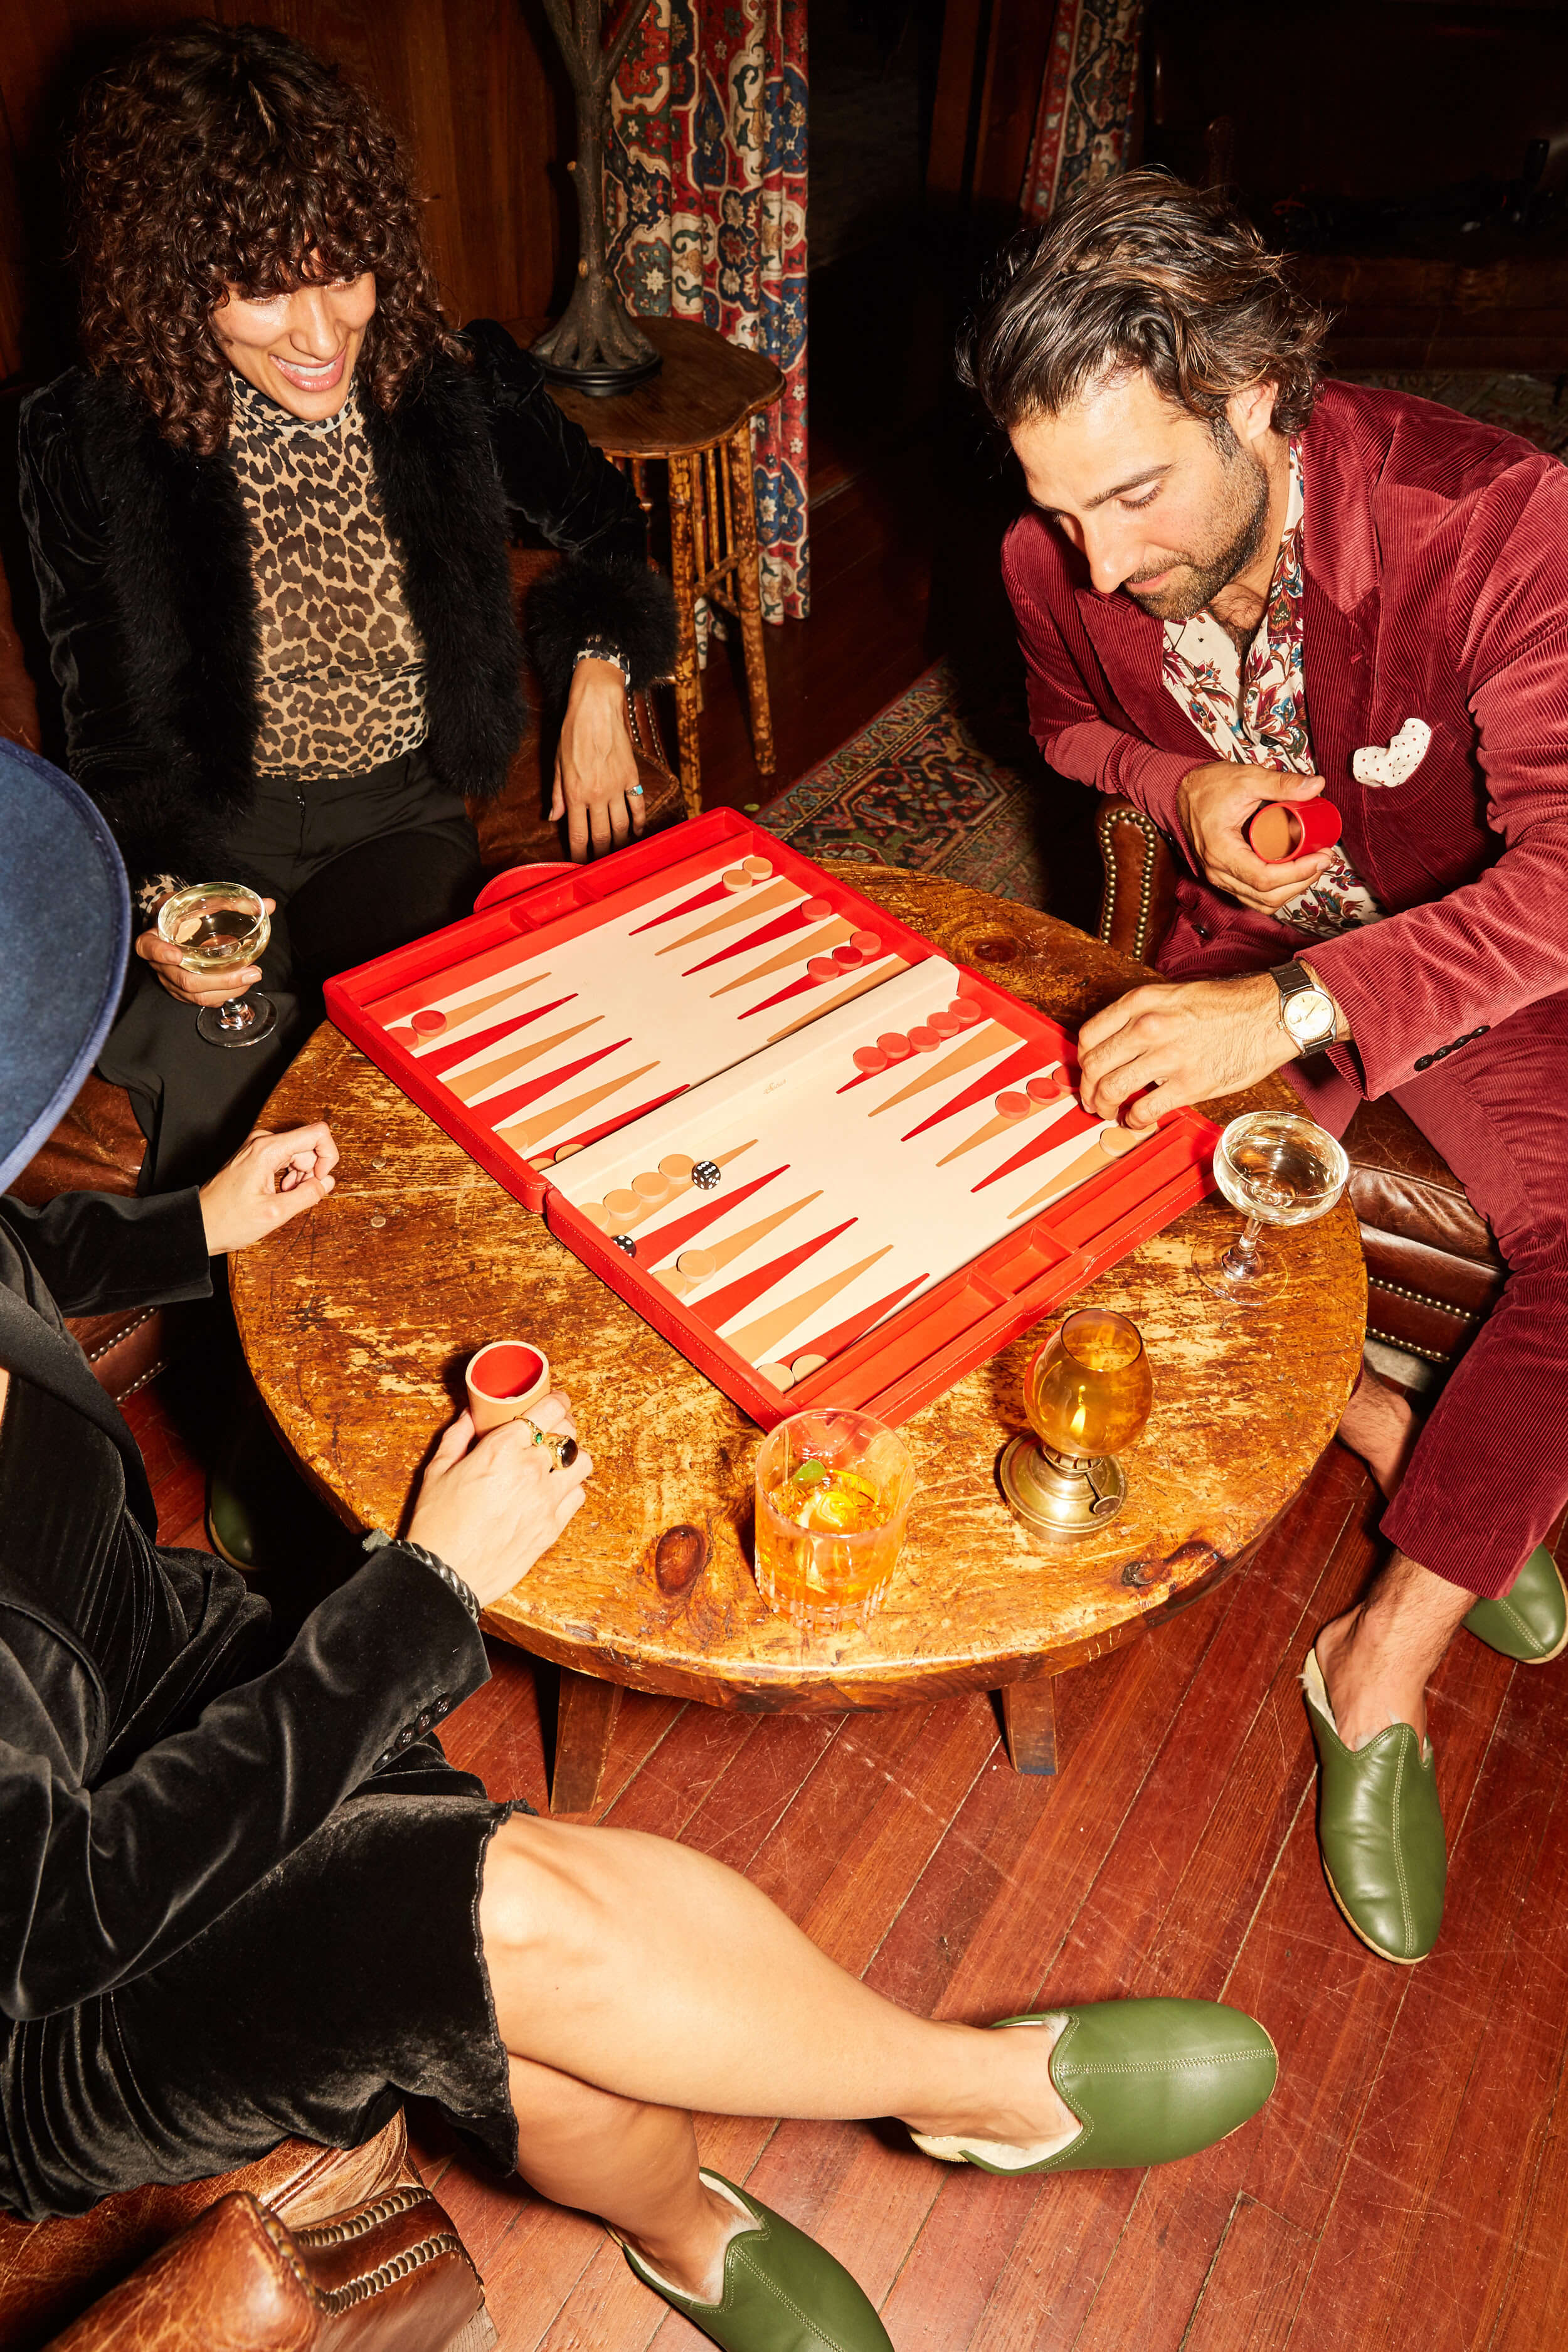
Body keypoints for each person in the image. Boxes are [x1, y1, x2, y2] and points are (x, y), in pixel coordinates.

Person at [1, 741, 1280, 2351]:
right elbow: (55, 1924)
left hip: (169, 1681)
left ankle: (682, 2231)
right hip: (58, 2005)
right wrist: (424, 1591)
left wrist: (195, 1223)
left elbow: (21, 1238)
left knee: (497, 2018)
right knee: (494, 1918)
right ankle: (981, 2088)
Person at [961, 167, 1568, 1968]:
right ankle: (1396, 1429)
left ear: (1253, 397)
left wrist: (1298, 1012)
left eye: (1133, 493)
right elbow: (1063, 716)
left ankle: (1373, 1658)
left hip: (1488, 948)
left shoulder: (1501, 521)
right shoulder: (1054, 551)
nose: (1096, 561)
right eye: (1055, 508)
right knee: (1095, 1203)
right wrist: (1176, 790)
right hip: (1247, 937)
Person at [19, 22, 675, 1195]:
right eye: (265, 291)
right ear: (174, 279)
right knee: (231, 1098)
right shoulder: (84, 440)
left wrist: (598, 671)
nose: (322, 334)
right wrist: (165, 903)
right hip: (218, 833)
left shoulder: (448, 383)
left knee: (443, 1081)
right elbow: (107, 725)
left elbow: (612, 526)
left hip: (398, 816)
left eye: (344, 272)